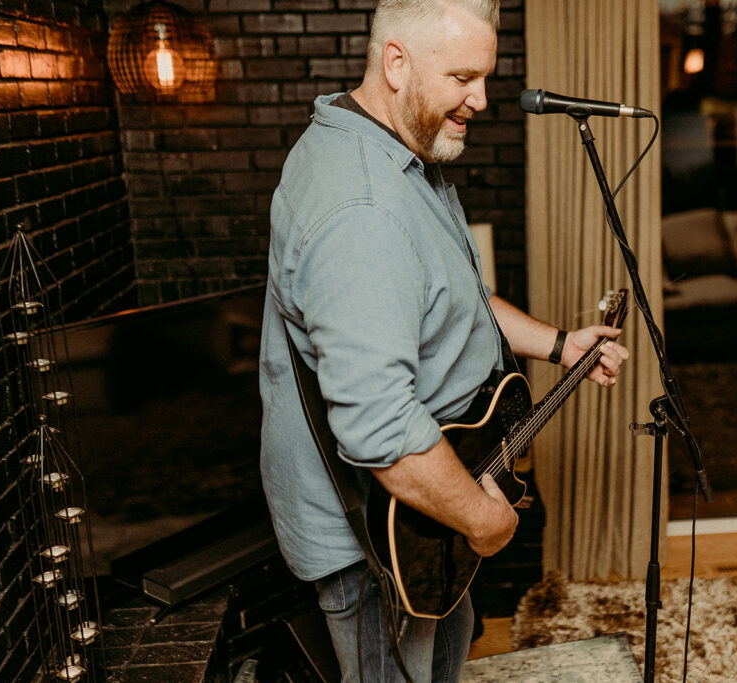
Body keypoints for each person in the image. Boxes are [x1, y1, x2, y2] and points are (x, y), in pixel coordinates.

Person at [258, 1, 629, 680]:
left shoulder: (397, 147)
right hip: (383, 535)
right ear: (396, 64)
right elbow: (381, 431)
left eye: (484, 76)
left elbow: (456, 297)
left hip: (437, 498)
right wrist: (482, 521)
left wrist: (559, 344)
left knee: (448, 652)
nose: (482, 99)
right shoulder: (363, 211)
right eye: (463, 76)